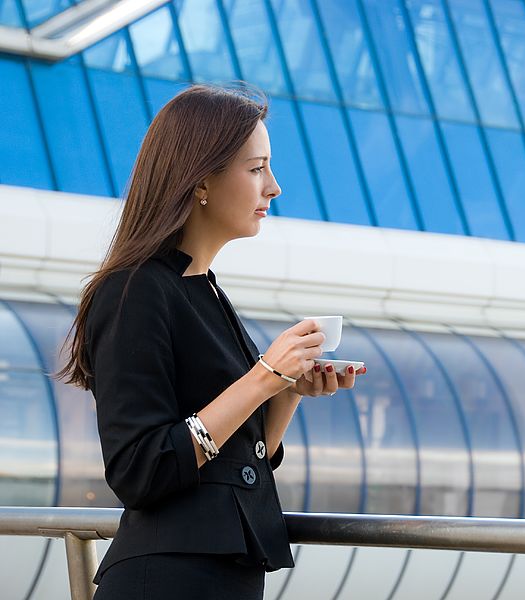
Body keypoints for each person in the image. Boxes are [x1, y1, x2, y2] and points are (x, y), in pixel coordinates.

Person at [54, 83, 364, 599]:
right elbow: (141, 469)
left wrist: (287, 388)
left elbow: (239, 455)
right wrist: (265, 374)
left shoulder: (203, 289)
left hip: (219, 575)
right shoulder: (134, 291)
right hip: (168, 580)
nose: (274, 188)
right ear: (201, 179)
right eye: (256, 168)